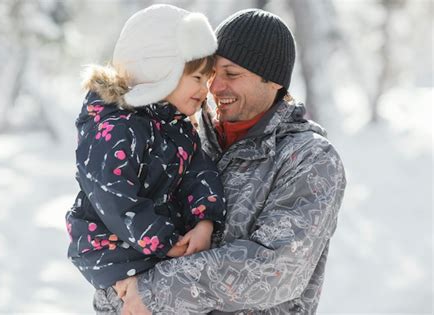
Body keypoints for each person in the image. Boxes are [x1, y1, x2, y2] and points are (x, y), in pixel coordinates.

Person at [94, 8, 347, 315]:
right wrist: (115, 296)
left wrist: (152, 291)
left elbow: (275, 268)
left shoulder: (308, 159)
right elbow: (114, 220)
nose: (214, 87)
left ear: (274, 82)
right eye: (212, 73)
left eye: (232, 74)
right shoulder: (185, 137)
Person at [65, 4, 226, 292]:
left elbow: (198, 174)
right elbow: (113, 196)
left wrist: (205, 220)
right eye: (197, 78)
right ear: (160, 70)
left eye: (208, 79)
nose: (206, 90)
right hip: (110, 247)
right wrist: (163, 239)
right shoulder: (116, 127)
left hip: (156, 243)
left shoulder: (177, 127)